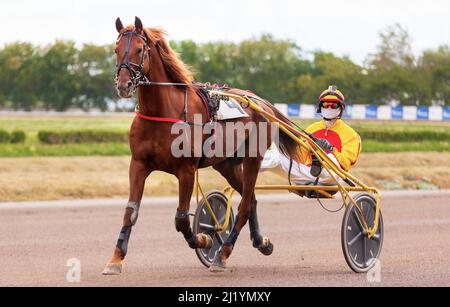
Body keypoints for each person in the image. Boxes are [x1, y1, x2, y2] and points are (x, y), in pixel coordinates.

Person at [261, 85, 361, 186]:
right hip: (307, 174)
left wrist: (329, 149)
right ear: (320, 107)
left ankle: (320, 164)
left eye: (334, 105)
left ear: (341, 109)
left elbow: (345, 163)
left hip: (333, 177)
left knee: (330, 159)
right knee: (275, 157)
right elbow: (300, 156)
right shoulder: (311, 129)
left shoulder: (351, 134)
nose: (329, 108)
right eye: (325, 104)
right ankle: (246, 163)